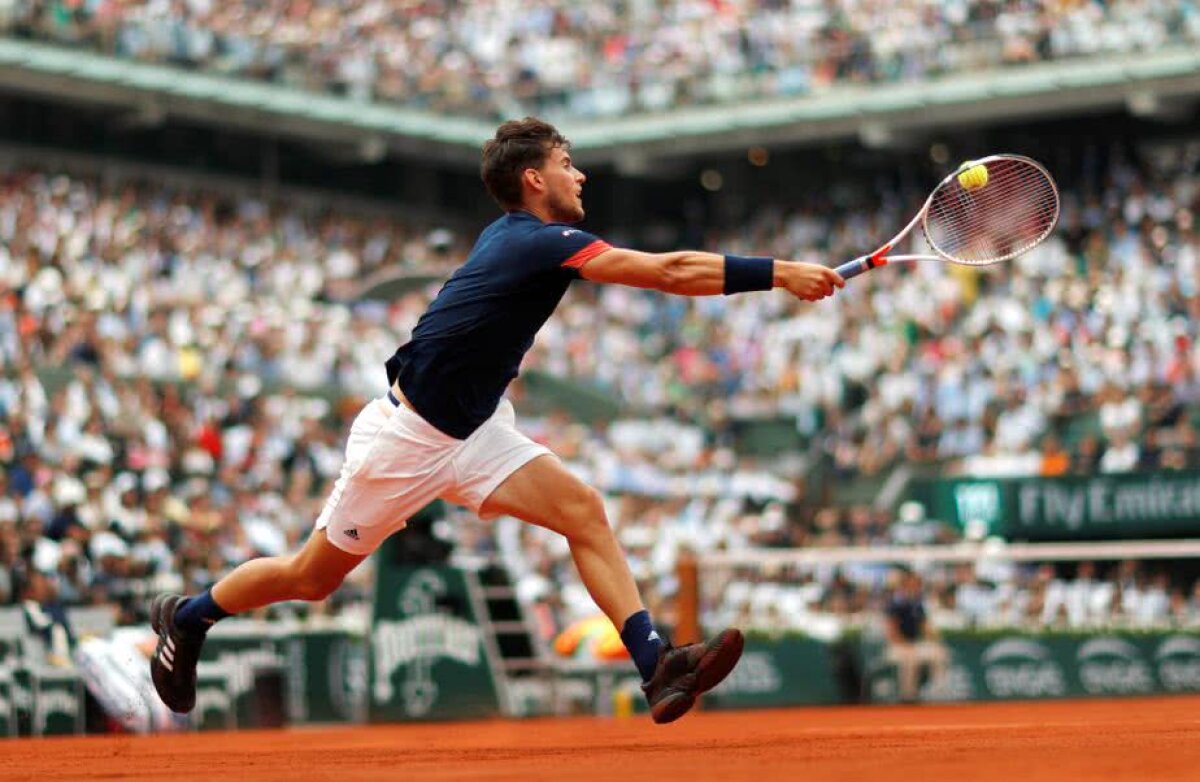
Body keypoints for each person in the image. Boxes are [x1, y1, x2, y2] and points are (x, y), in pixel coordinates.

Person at [149, 117, 844, 724]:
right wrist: (780, 271)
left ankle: (656, 663)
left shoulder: (526, 237)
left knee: (584, 511)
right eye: (568, 162)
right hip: (406, 441)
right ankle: (188, 617)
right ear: (535, 180)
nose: (582, 173)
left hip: (476, 430)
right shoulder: (536, 242)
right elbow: (669, 270)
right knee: (311, 577)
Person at [884, 569, 949, 703]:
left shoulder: (917, 604)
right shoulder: (894, 603)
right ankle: (908, 697)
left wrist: (935, 639)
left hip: (913, 644)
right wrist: (905, 645)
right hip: (896, 646)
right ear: (905, 585)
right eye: (912, 584)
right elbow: (891, 631)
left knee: (939, 653)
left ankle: (938, 693)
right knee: (910, 658)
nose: (916, 588)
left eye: (917, 585)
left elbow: (925, 627)